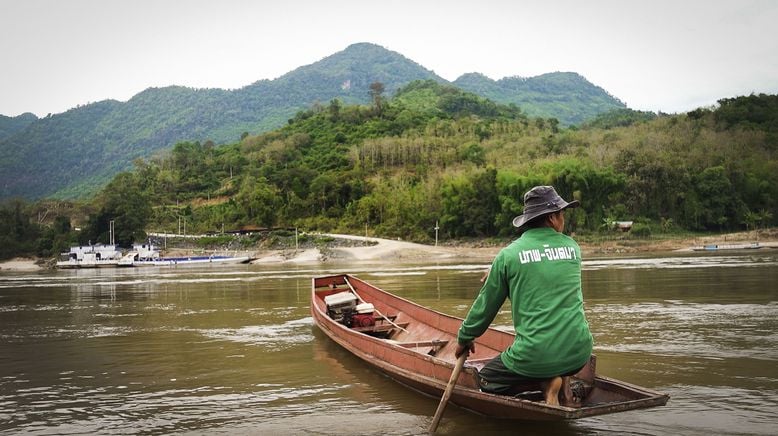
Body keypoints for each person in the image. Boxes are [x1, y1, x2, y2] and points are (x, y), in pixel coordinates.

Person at [455, 185, 593, 406]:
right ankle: (560, 383)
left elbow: (486, 307)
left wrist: (464, 337)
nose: (563, 219)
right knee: (558, 333)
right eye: (562, 214)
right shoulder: (573, 248)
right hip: (579, 354)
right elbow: (545, 267)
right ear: (551, 218)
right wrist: (500, 270)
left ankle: (547, 383)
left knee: (485, 380)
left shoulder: (508, 256)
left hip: (535, 357)